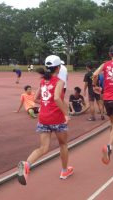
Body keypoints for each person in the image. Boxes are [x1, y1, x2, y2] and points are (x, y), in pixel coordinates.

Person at [17, 55, 73, 185]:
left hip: (43, 118)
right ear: (58, 68)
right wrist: (66, 114)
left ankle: (27, 164)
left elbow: (35, 99)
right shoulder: (59, 82)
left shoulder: (43, 81)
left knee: (43, 147)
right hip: (57, 118)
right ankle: (64, 171)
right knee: (63, 145)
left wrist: (46, 104)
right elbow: (57, 98)